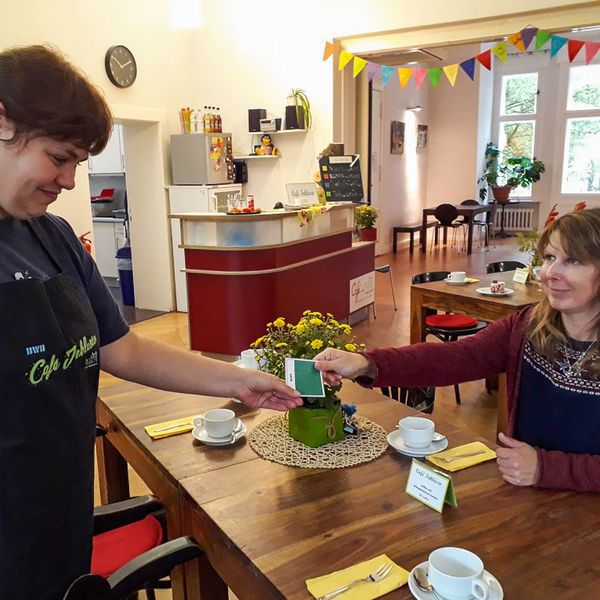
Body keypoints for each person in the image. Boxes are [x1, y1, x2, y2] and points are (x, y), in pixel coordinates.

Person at [0, 45, 301, 599]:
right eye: (59, 156)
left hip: (57, 509)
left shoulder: (54, 238)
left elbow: (123, 350)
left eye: (78, 164)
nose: (69, 181)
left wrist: (238, 379)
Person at [316, 208, 600, 493]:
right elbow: (451, 358)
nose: (551, 273)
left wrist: (546, 467)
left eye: (572, 261)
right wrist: (365, 363)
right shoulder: (527, 327)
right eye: (550, 258)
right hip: (526, 493)